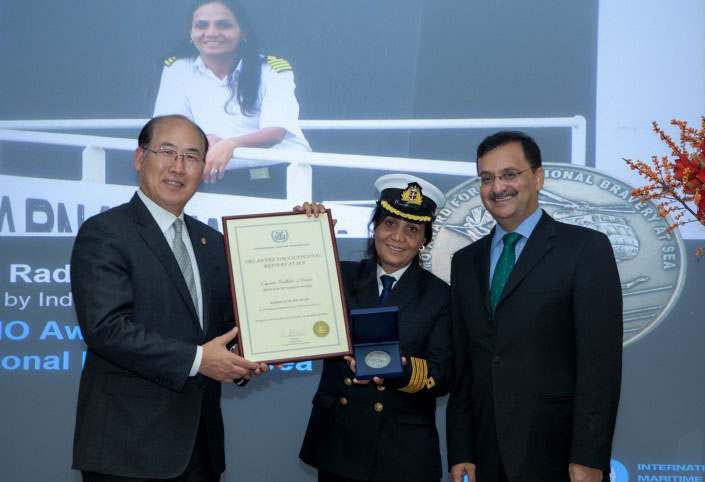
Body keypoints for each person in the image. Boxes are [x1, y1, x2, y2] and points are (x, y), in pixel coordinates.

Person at [70, 115, 267, 481]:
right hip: (127, 448)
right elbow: (107, 329)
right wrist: (199, 360)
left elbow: (223, 330)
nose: (179, 167)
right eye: (167, 152)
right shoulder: (106, 233)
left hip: (200, 448)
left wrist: (251, 353)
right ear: (139, 158)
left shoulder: (212, 244)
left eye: (192, 157)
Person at [446, 131, 623, 482]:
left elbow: (599, 365)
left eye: (509, 174)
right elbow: (465, 366)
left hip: (559, 458)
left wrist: (590, 457)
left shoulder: (585, 249)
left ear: (538, 178)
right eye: (486, 178)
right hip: (485, 455)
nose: (497, 187)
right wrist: (461, 448)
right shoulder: (465, 262)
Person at [298, 174, 454, 482]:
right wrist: (303, 233)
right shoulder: (337, 275)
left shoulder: (441, 296)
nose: (398, 237)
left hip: (403, 452)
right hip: (340, 444)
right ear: (375, 228)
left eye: (412, 229)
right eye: (390, 224)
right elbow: (288, 290)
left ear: (425, 240)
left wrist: (397, 369)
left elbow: (444, 373)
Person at [154, 0, 310, 185]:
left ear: (243, 31)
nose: (211, 32)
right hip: (216, 177)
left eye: (224, 25)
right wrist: (200, 138)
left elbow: (275, 132)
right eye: (201, 25)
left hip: (281, 174)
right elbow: (168, 126)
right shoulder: (178, 68)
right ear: (191, 33)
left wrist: (230, 144)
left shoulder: (272, 70)